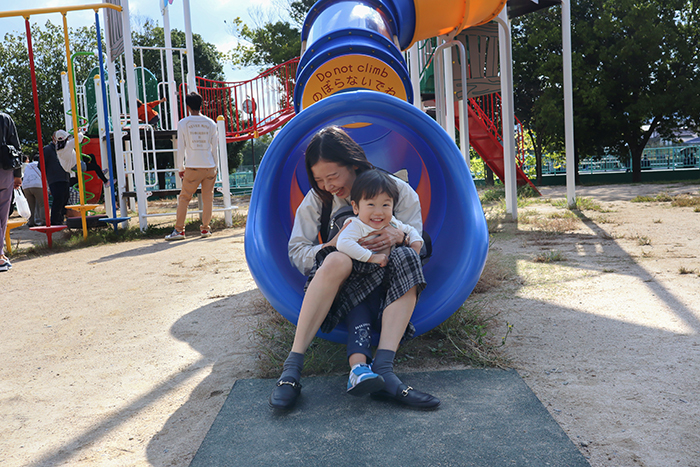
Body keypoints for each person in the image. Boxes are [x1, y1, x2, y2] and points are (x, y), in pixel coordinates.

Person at [270, 126, 439, 410]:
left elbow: (418, 243)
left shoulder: (396, 190)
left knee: (406, 257)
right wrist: (332, 245)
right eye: (319, 179)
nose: (327, 185)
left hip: (388, 288)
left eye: (333, 176)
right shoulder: (318, 200)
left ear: (353, 163)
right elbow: (296, 252)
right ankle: (292, 368)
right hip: (342, 288)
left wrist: (401, 237)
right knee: (338, 258)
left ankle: (385, 370)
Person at [336, 169, 424, 267]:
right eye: (371, 204)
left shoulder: (392, 222)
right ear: (356, 207)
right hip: (365, 269)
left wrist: (415, 244)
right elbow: (343, 243)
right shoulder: (358, 225)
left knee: (406, 254)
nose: (378, 212)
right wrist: (371, 258)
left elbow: (411, 230)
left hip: (389, 268)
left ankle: (415, 283)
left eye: (385, 205)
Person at [164, 92, 219, 241]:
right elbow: (215, 148)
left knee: (184, 198)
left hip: (193, 166)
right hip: (209, 166)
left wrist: (180, 167)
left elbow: (181, 147)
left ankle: (179, 230)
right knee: (208, 198)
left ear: (187, 106)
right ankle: (205, 229)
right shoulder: (211, 123)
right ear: (201, 105)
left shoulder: (183, 123)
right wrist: (216, 166)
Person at [43, 130, 81, 226]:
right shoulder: (47, 149)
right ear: (53, 138)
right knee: (58, 199)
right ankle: (55, 221)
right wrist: (47, 180)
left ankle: (60, 218)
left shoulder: (64, 146)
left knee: (65, 198)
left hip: (65, 177)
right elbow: (42, 165)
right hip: (54, 179)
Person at [0, 112, 22, 272]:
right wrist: (17, 174)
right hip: (4, 169)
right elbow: (16, 147)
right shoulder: (5, 118)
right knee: (3, 213)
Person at [22, 154, 45, 227]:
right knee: (42, 204)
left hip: (26, 186)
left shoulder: (27, 165)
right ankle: (44, 221)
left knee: (30, 206)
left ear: (32, 159)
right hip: (38, 185)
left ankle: (31, 222)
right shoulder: (41, 165)